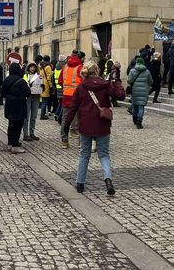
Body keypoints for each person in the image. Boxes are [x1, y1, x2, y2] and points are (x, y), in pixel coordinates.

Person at [65, 59, 115, 195]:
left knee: (84, 154)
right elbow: (120, 95)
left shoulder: (81, 88)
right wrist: (116, 83)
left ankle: (80, 183)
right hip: (102, 124)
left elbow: (73, 108)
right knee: (104, 154)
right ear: (97, 71)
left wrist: (67, 125)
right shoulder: (105, 85)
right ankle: (108, 180)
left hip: (86, 125)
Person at [1, 62, 31, 154]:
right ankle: (15, 145)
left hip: (9, 104)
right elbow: (28, 93)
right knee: (18, 125)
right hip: (19, 104)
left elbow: (2, 93)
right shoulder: (22, 81)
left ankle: (10, 143)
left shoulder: (6, 80)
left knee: (11, 124)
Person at [58, 51, 83, 148]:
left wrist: (66, 88)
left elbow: (60, 81)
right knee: (81, 119)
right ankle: (81, 143)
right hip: (78, 97)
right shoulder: (80, 67)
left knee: (65, 119)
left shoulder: (65, 67)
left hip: (66, 96)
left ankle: (64, 141)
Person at [127, 56, 152, 129]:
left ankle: (135, 120)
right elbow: (151, 82)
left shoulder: (132, 71)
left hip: (135, 91)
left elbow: (129, 81)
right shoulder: (147, 71)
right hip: (144, 92)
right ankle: (139, 122)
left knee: (135, 106)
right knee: (141, 107)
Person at [22, 62, 42, 142]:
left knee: (33, 116)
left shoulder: (39, 76)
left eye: (34, 67)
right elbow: (23, 85)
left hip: (36, 97)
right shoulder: (25, 76)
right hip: (28, 97)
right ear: (28, 68)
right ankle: (25, 134)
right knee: (26, 117)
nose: (32, 69)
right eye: (31, 67)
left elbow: (41, 85)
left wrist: (42, 87)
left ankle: (32, 133)